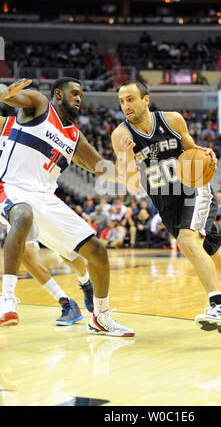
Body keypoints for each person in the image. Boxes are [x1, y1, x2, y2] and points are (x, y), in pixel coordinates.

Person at [111, 80, 221, 335]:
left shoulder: (172, 120)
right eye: (122, 101)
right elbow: (129, 182)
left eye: (131, 99)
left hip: (194, 191)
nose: (126, 105)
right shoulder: (121, 135)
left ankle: (218, 307)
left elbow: (194, 151)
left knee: (187, 242)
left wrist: (208, 157)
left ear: (145, 100)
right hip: (167, 205)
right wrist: (125, 159)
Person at [0, 77, 134, 337]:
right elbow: (8, 96)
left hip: (45, 198)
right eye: (74, 93)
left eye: (81, 95)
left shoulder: (74, 135)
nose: (78, 98)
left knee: (97, 251)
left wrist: (126, 167)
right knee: (23, 214)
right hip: (11, 187)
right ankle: (6, 298)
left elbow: (100, 168)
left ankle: (100, 317)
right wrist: (6, 92)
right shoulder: (39, 104)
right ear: (58, 94)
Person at [0, 113, 94, 326]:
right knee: (25, 253)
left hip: (35, 193)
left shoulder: (21, 126)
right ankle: (65, 303)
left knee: (66, 251)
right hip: (9, 195)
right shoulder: (9, 124)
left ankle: (85, 282)